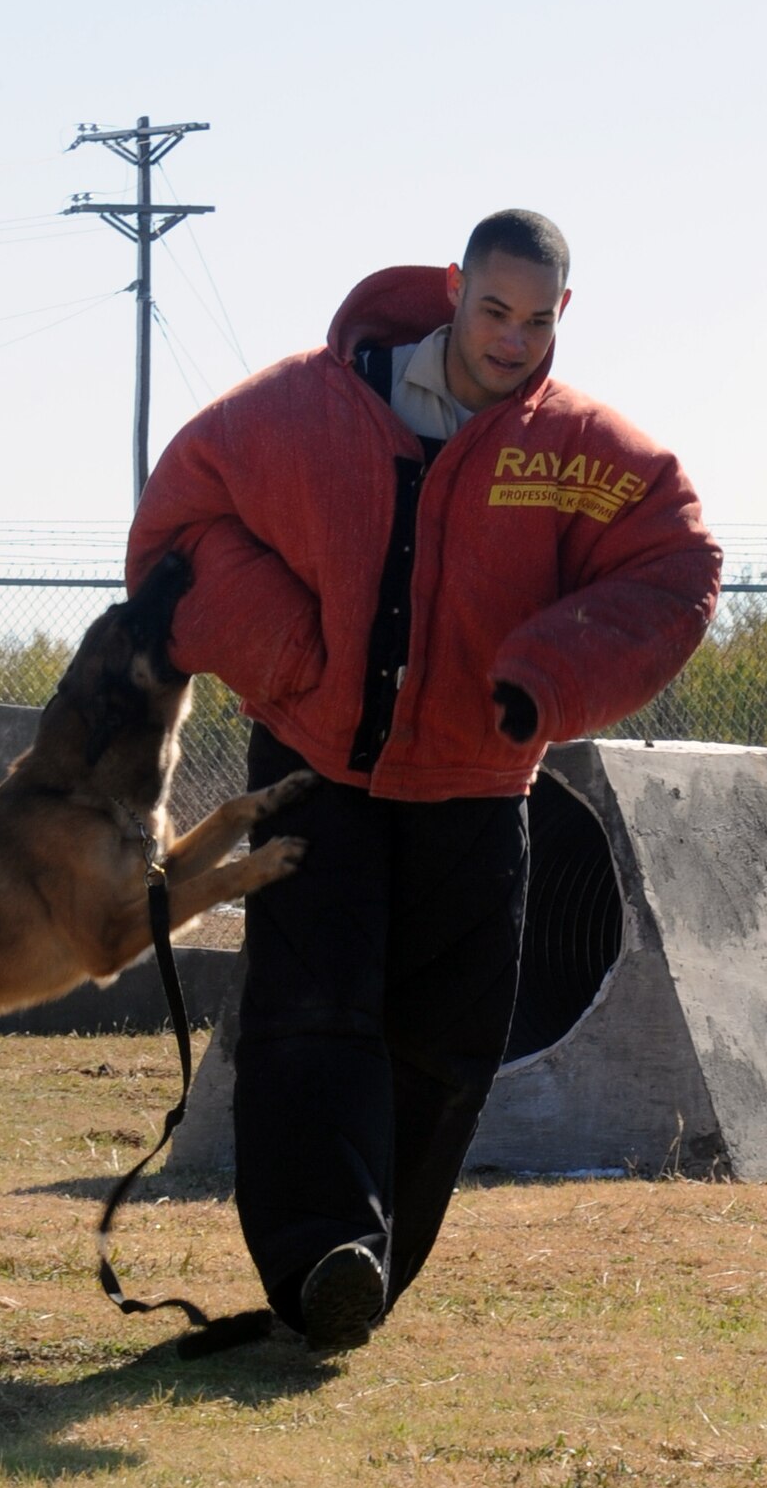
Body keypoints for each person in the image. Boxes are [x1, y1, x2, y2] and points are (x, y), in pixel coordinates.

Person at [126, 209, 721, 1350]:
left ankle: (365, 1272)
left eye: (537, 318)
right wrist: (286, 651)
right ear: (453, 288)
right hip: (315, 769)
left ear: (565, 312)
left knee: (451, 1038)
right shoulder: (300, 406)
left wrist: (547, 675)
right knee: (315, 1010)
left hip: (479, 782)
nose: (511, 338)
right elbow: (177, 523)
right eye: (493, 309)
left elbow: (678, 562)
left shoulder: (584, 450)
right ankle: (322, 1256)